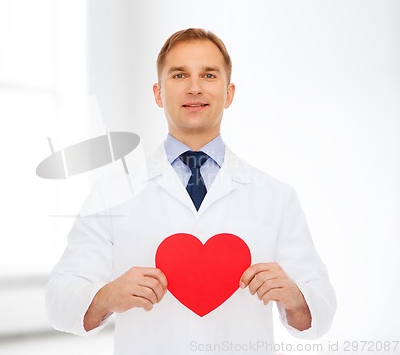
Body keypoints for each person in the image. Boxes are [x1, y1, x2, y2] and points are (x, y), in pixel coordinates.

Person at [45, 28, 336, 354]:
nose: (194, 87)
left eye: (209, 75)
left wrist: (297, 296)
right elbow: (59, 298)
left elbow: (321, 303)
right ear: (158, 93)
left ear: (229, 93)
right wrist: (107, 296)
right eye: (179, 74)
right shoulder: (111, 194)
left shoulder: (276, 196)